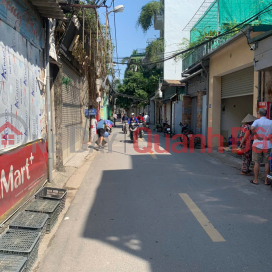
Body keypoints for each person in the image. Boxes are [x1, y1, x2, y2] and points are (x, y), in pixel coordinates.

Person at [250, 108, 272, 185]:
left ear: (259, 114)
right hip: (268, 145)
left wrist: (257, 135)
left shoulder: (257, 121)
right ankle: (266, 181)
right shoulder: (270, 122)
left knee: (257, 162)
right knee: (267, 163)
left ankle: (256, 180)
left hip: (257, 144)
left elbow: (252, 128)